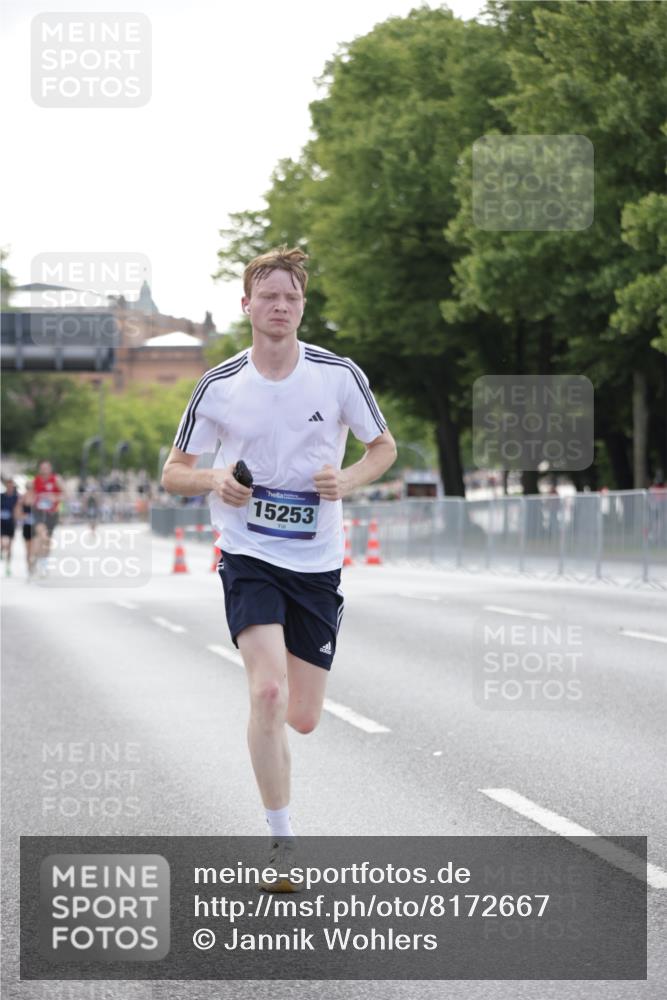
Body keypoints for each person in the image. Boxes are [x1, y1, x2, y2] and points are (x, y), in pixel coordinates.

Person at [161, 246, 397, 890]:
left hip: (317, 560)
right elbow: (174, 473)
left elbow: (383, 446)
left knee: (302, 715)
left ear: (302, 306)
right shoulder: (219, 385)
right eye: (269, 296)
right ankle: (283, 840)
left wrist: (345, 479)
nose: (281, 306)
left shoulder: (336, 375)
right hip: (248, 553)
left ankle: (284, 778)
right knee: (266, 691)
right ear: (247, 306)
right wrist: (215, 477)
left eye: (292, 296)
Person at [33, 460, 65, 572]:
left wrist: (55, 498)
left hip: (52, 513)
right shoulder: (36, 480)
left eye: (46, 468)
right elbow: (32, 495)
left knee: (47, 540)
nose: (44, 470)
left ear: (50, 469)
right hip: (39, 513)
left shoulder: (56, 479)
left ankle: (44, 560)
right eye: (42, 468)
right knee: (42, 535)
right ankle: (36, 558)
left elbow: (65, 495)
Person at [17, 481, 37, 579]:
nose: (30, 489)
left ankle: (34, 565)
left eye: (31, 487)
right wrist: (22, 516)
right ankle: (29, 568)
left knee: (35, 549)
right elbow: (18, 511)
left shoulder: (37, 497)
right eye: (28, 487)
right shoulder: (22, 498)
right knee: (28, 550)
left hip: (36, 526)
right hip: (26, 526)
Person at [1, 478, 19, 575]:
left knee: (10, 546)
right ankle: (1, 550)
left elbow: (19, 509)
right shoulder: (2, 496)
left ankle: (8, 566)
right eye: (8, 485)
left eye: (11, 486)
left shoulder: (16, 497)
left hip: (11, 523)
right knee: (3, 542)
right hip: (1, 523)